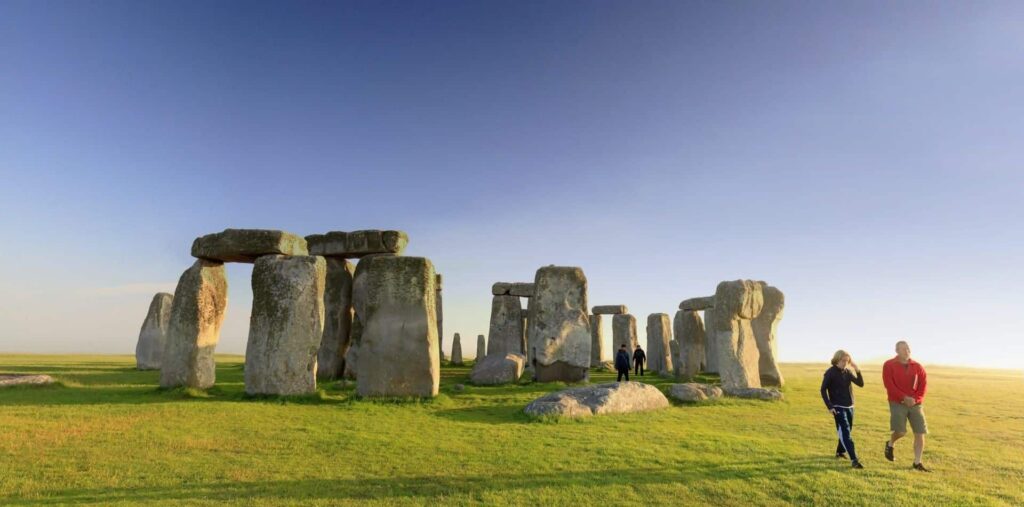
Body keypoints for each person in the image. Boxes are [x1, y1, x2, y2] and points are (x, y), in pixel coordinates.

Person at [882, 340, 930, 471]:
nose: (907, 350)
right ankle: (890, 443)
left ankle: (917, 463)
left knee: (920, 433)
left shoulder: (918, 366)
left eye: (908, 348)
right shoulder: (888, 365)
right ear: (897, 351)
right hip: (897, 402)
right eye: (903, 348)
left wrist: (916, 399)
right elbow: (889, 385)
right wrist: (904, 397)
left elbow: (923, 386)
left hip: (915, 403)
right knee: (901, 432)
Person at [820, 350, 865, 469]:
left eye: (847, 361)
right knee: (845, 432)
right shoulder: (830, 372)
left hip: (850, 406)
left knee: (847, 430)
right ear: (837, 359)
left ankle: (840, 452)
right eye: (843, 360)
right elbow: (823, 390)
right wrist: (830, 406)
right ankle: (854, 460)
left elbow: (860, 384)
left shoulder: (848, 372)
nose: (845, 363)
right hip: (838, 407)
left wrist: (857, 370)